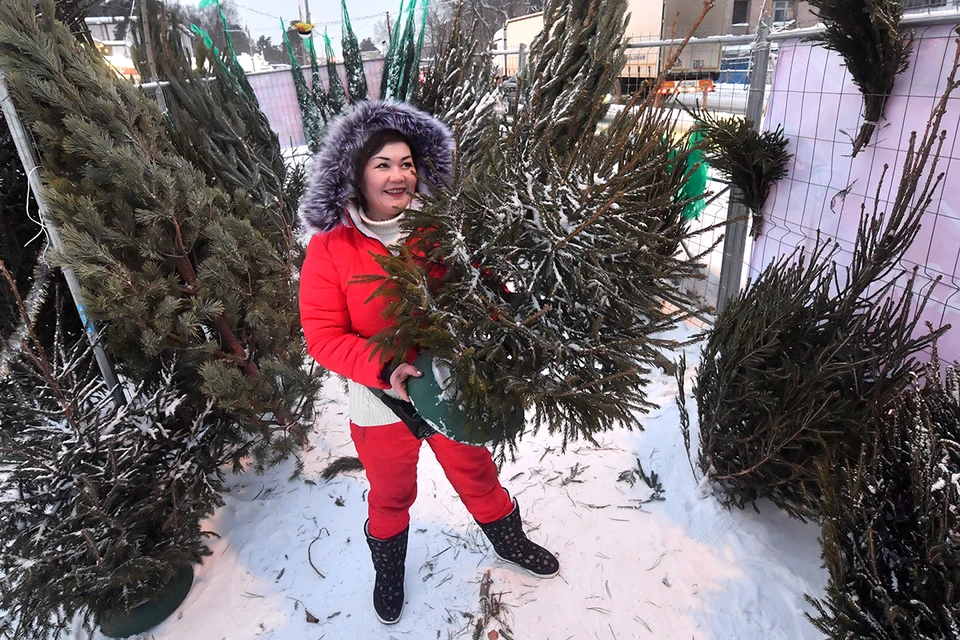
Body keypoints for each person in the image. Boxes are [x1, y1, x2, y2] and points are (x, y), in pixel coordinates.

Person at [298, 101, 560, 625]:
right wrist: (383, 369)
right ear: (356, 174)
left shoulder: (439, 227)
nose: (400, 176)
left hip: (450, 380)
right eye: (383, 165)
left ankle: (509, 541)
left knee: (475, 470)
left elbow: (477, 283)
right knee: (392, 491)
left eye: (408, 163)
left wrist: (511, 309)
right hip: (380, 398)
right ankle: (389, 569)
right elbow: (323, 336)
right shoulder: (331, 248)